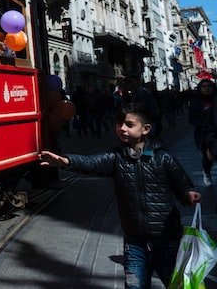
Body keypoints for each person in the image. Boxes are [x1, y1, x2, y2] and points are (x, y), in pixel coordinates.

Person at [40, 103, 201, 289]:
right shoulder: (117, 157)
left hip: (166, 240)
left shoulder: (163, 157)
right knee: (134, 285)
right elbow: (92, 162)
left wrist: (189, 194)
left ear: (146, 129)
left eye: (129, 124)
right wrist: (66, 161)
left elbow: (182, 183)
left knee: (176, 285)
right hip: (134, 241)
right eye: (118, 124)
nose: (121, 128)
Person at [188, 78, 216, 186]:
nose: (206, 89)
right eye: (204, 87)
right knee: (208, 155)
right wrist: (203, 123)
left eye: (209, 86)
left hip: (216, 132)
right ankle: (207, 172)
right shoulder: (196, 102)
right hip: (203, 133)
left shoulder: (215, 100)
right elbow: (191, 119)